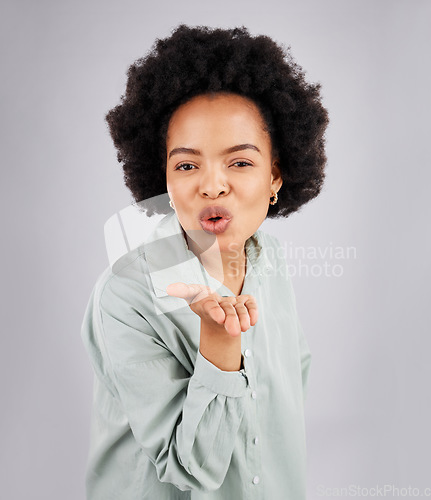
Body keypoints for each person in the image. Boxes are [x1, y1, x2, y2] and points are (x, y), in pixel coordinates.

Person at [80, 24, 329, 499]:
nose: (212, 186)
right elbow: (191, 470)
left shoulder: (268, 259)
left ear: (276, 176)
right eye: (187, 165)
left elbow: (286, 403)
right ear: (165, 182)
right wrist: (217, 346)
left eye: (239, 162)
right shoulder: (127, 294)